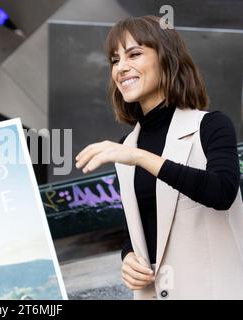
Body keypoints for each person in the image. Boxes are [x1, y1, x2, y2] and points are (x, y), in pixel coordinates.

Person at [75, 15, 243, 299]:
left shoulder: (210, 126)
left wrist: (140, 157)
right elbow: (142, 225)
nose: (121, 68)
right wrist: (128, 256)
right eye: (115, 60)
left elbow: (222, 192)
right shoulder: (127, 146)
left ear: (166, 58)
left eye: (134, 54)